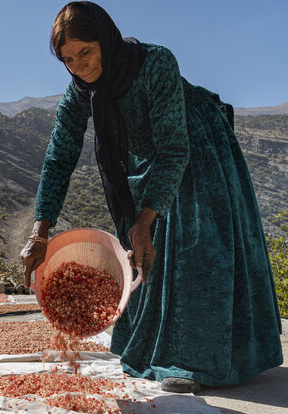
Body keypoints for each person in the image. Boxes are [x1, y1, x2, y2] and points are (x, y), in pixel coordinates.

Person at [20, 1, 283, 393]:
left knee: (195, 251)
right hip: (149, 159)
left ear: (105, 41)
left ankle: (198, 361)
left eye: (85, 52)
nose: (79, 65)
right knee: (146, 252)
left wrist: (144, 220)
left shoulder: (154, 63)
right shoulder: (80, 92)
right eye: (68, 59)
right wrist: (40, 231)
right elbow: (60, 155)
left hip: (196, 144)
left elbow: (175, 148)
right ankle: (154, 349)